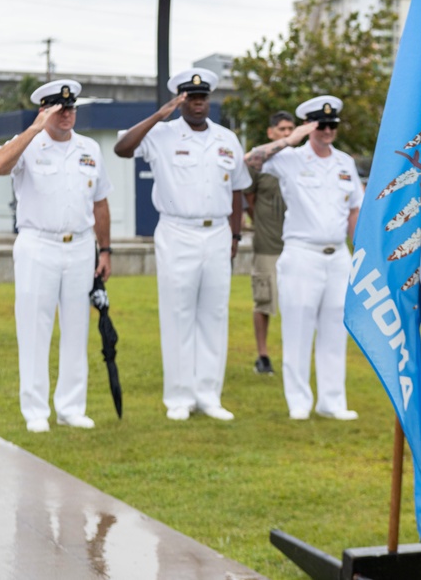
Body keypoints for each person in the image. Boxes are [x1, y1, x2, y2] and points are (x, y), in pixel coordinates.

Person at [114, 68, 249, 422]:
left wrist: (235, 236)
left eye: (203, 97)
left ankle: (208, 395)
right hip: (178, 231)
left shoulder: (227, 139)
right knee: (178, 314)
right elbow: (122, 148)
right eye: (191, 97)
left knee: (214, 314)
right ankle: (178, 397)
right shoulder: (161, 134)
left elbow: (237, 190)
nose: (198, 103)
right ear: (180, 100)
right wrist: (159, 115)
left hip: (218, 232)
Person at [0, 79, 112, 433]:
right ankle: (35, 410)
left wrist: (105, 250)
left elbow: (100, 202)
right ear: (45, 110)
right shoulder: (27, 144)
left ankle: (71, 407)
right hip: (37, 244)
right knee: (34, 328)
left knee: (77, 327)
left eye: (71, 108)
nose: (68, 114)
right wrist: (34, 129)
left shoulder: (89, 149)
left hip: (79, 246)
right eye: (60, 109)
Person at [245, 96, 362, 421]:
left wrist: (359, 251)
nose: (327, 131)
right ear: (309, 127)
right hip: (301, 254)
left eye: (332, 125)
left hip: (337, 254)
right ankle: (298, 400)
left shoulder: (344, 163)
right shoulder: (291, 158)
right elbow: (249, 162)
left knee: (335, 329)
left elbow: (354, 208)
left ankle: (332, 400)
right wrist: (291, 138)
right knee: (298, 328)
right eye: (320, 125)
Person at [244, 111, 294, 375]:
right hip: (268, 245)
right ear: (271, 132)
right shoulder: (260, 164)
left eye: (291, 129)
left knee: (297, 303)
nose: (287, 134)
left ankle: (292, 356)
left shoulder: (301, 161)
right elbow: (249, 200)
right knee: (263, 301)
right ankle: (263, 356)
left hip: (296, 247)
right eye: (282, 129)